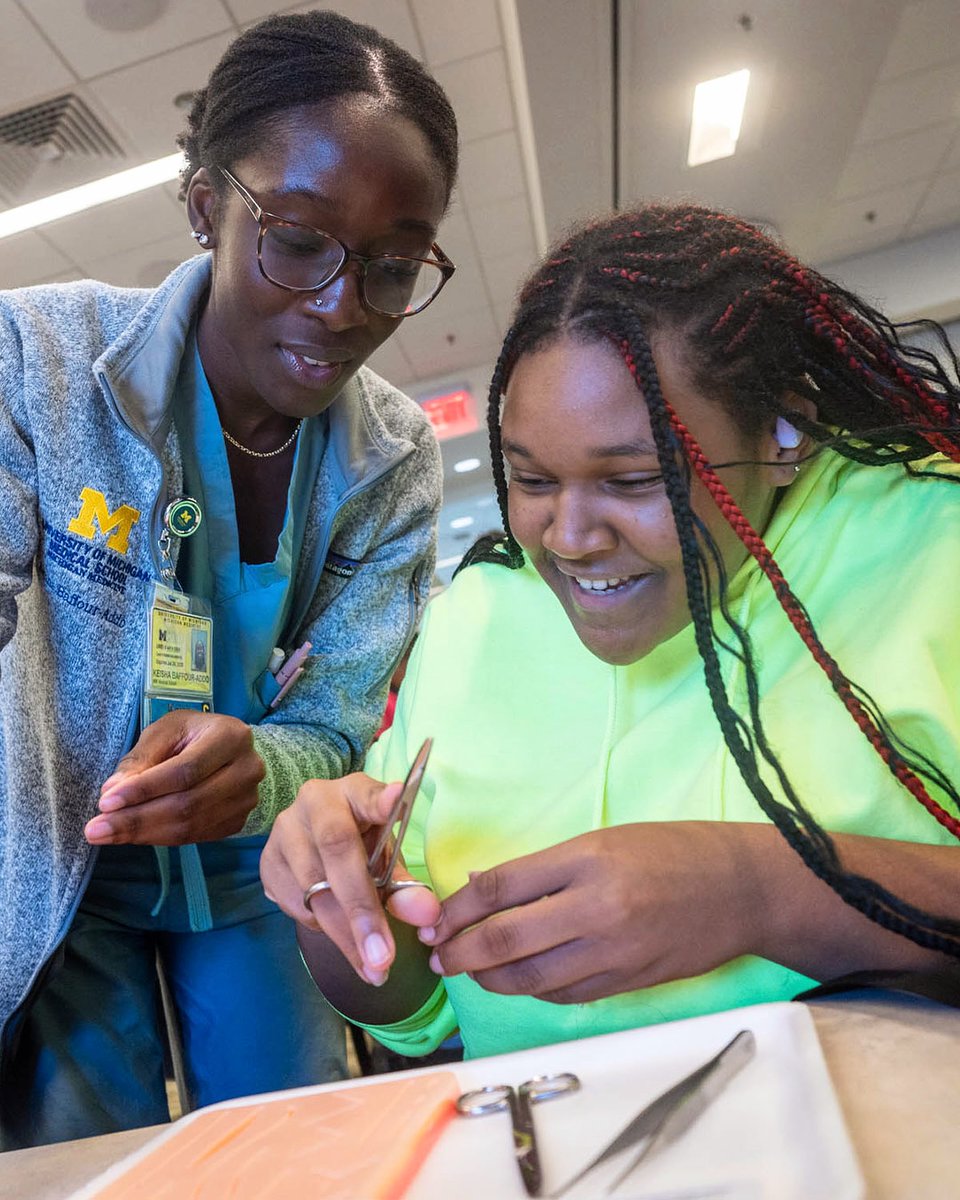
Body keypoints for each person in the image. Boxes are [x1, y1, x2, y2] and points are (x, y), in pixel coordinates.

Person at [260, 203, 960, 1062]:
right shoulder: (474, 617)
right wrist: (338, 906)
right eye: (532, 480)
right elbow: (419, 1013)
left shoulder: (935, 547)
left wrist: (762, 890)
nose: (570, 536)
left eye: (635, 479)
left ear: (783, 433)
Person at [0, 10, 458, 1146]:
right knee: (85, 1154)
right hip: (66, 868)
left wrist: (263, 766)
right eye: (296, 240)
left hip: (266, 875)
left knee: (296, 1146)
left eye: (394, 266)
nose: (342, 306)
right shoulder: (41, 364)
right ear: (206, 204)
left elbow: (339, 717)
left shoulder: (393, 462)